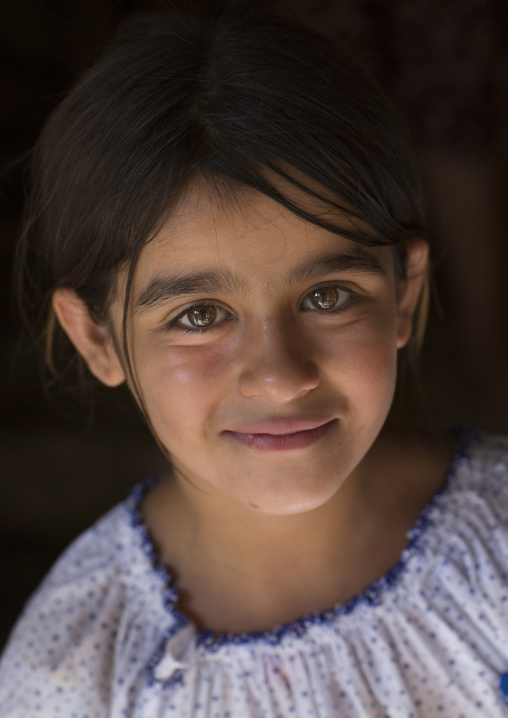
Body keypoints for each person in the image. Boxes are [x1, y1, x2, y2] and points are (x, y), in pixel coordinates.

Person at [1, 2, 507, 716]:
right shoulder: (74, 672)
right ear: (97, 338)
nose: (279, 373)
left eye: (328, 295)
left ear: (403, 294)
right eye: (198, 316)